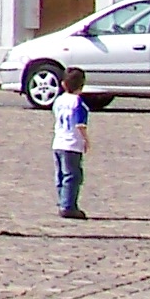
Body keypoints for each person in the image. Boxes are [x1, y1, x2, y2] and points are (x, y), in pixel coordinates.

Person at [51, 64, 93, 219]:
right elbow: (80, 124)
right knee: (73, 175)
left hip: (58, 142)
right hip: (72, 143)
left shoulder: (59, 100)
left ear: (63, 84)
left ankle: (62, 200)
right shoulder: (78, 102)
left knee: (61, 174)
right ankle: (68, 205)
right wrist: (86, 140)